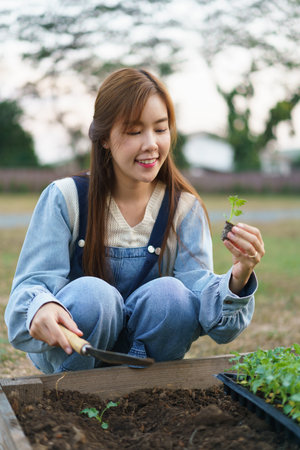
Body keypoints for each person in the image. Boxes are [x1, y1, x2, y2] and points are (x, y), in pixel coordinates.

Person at [5, 68, 265, 374]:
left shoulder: (183, 207)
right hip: (74, 361)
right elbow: (31, 288)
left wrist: (239, 277)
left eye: (160, 129)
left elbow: (204, 307)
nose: (151, 144)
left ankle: (144, 392)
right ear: (103, 137)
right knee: (93, 296)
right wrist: (42, 306)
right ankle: (78, 395)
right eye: (134, 131)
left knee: (173, 297)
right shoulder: (66, 198)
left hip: (149, 372)